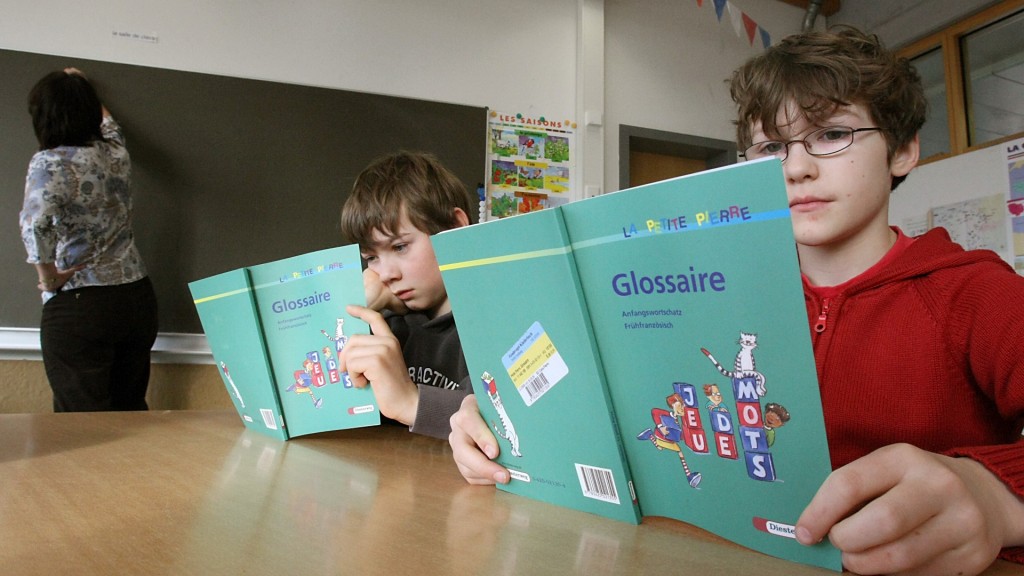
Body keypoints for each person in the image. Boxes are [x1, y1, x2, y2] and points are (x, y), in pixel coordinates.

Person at [448, 26, 1024, 574]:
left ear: (902, 152)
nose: (795, 167)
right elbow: (629, 424)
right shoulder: (713, 297)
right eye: (770, 146)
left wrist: (997, 498)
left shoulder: (974, 293)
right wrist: (506, 425)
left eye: (831, 134)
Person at [19, 68, 158, 412]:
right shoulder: (115, 153)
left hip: (81, 304)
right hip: (136, 298)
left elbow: (34, 224)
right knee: (129, 414)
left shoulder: (49, 162)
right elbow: (110, 124)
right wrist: (82, 88)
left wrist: (49, 278)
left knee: (81, 426)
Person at [338, 151, 472, 439]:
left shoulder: (494, 323)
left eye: (399, 247)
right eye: (371, 258)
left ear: (455, 228)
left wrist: (411, 402)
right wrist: (357, 303)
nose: (386, 273)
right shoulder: (389, 325)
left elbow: (510, 425)